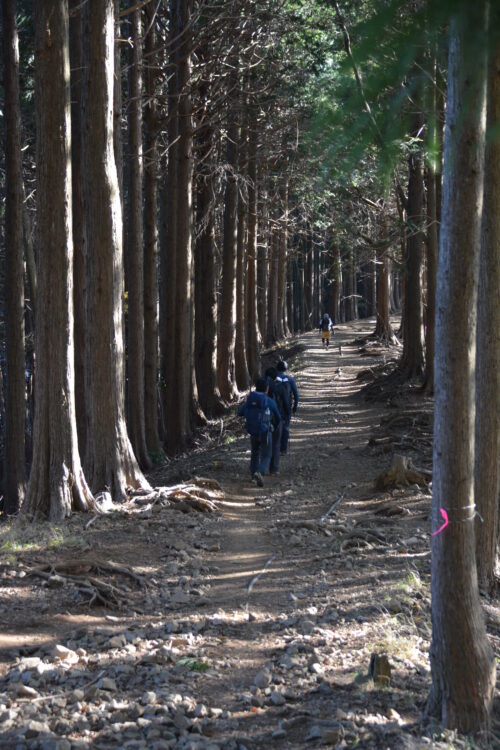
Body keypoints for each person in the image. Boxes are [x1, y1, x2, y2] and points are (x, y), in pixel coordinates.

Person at [238, 377, 280, 486]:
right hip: (266, 431)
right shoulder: (269, 401)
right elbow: (278, 417)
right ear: (267, 389)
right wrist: (273, 426)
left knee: (255, 452)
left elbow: (240, 412)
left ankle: (253, 476)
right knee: (267, 454)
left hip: (253, 431)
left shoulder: (250, 400)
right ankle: (259, 472)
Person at [265, 366, 291, 475]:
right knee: (276, 444)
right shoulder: (281, 387)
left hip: (264, 419)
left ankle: (260, 468)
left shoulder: (262, 387)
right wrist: (287, 417)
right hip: (277, 418)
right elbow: (286, 404)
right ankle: (274, 469)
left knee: (263, 444)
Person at [276, 360, 299, 455]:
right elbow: (296, 394)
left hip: (275, 406)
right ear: (286, 369)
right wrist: (295, 406)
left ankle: (275, 447)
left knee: (275, 426)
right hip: (287, 407)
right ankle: (283, 449)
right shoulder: (290, 379)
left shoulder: (273, 379)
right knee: (285, 427)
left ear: (277, 368)